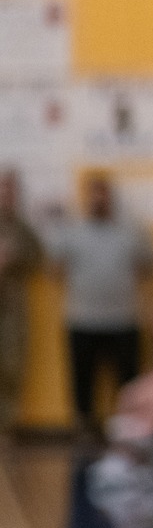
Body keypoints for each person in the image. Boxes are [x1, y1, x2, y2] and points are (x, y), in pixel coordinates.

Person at [46, 171, 153, 436]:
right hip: (83, 319)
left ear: (110, 196)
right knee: (83, 382)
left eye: (102, 192)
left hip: (124, 320)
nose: (98, 199)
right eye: (93, 193)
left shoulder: (131, 229)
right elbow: (53, 270)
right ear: (86, 197)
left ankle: (130, 431)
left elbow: (148, 267)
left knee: (127, 381)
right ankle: (84, 430)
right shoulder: (72, 229)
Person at [0, 168, 44, 429]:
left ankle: (4, 426)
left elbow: (37, 259)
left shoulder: (22, 229)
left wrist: (13, 257)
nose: (5, 194)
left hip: (12, 309)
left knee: (10, 365)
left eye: (10, 189)